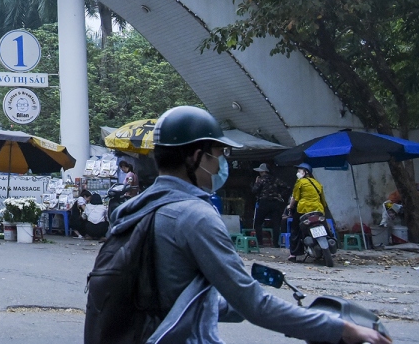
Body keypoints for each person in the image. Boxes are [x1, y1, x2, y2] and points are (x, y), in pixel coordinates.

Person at [106, 106, 388, 344]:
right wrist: (343, 328)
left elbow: (163, 294)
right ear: (196, 157)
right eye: (217, 155)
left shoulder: (131, 210)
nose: (220, 166)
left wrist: (233, 301)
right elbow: (256, 306)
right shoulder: (195, 216)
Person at [285, 162, 329, 261]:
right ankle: (331, 240)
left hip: (304, 210)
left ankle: (294, 254)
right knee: (326, 227)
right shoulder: (317, 183)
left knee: (295, 229)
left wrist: (290, 207)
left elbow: (295, 198)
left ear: (305, 172)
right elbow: (323, 201)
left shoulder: (300, 182)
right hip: (318, 209)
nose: (297, 173)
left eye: (299, 171)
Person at [250, 163, 287, 248]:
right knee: (276, 224)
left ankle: (260, 243)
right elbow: (286, 187)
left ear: (263, 171)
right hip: (275, 203)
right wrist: (280, 195)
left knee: (258, 222)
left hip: (264, 202)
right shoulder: (275, 179)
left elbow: (254, 190)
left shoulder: (261, 180)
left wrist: (256, 183)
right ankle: (275, 244)